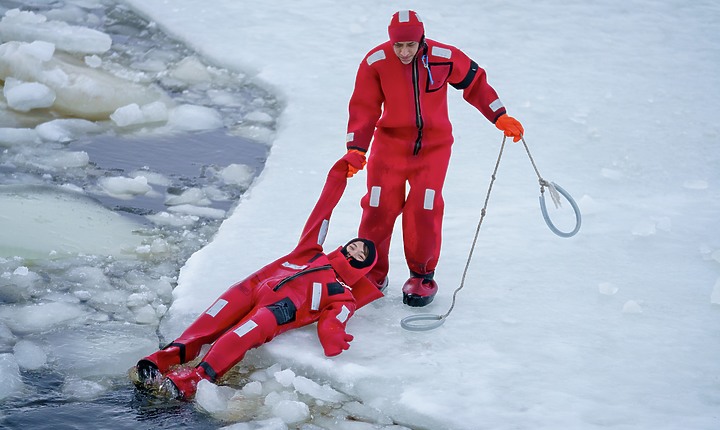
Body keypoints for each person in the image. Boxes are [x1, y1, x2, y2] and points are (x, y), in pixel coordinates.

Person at [133, 156, 380, 400]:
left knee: (238, 337)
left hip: (277, 312)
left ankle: (196, 379)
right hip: (249, 289)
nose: (355, 252)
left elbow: (334, 321)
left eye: (362, 255)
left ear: (364, 266)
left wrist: (334, 338)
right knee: (208, 323)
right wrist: (338, 175)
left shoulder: (343, 296)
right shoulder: (311, 251)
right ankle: (167, 357)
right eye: (355, 246)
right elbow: (323, 210)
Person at [342, 10, 524, 307]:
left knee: (424, 206)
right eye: (398, 46)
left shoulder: (443, 56)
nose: (404, 52)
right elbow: (364, 107)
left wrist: (499, 115)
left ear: (421, 39)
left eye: (410, 46)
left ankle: (421, 276)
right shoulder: (375, 61)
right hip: (390, 147)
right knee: (377, 205)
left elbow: (475, 82)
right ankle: (372, 272)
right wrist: (356, 148)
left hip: (433, 148)